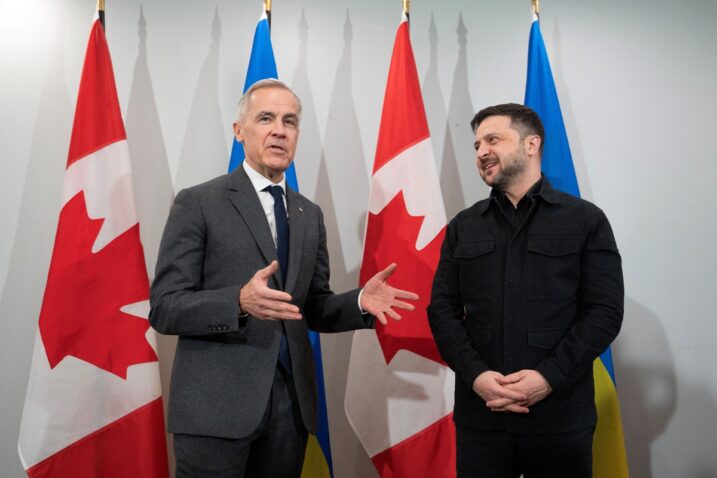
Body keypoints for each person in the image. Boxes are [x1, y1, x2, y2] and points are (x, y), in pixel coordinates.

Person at [150, 78, 418, 477]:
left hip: (289, 410)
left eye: (289, 121)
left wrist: (359, 302)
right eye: (266, 118)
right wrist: (238, 302)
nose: (279, 130)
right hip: (215, 410)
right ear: (239, 131)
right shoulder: (198, 202)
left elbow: (312, 306)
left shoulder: (310, 214)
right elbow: (165, 307)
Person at [427, 103, 623, 478]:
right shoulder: (463, 226)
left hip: (560, 416)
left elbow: (604, 312)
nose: (482, 151)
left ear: (531, 145)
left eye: (493, 140)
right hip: (482, 417)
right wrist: (477, 377)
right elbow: (442, 311)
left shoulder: (585, 220)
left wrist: (548, 378)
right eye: (477, 145)